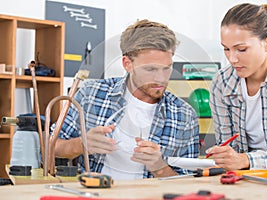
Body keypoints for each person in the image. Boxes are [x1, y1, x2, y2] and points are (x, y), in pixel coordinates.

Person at [52, 19, 200, 179]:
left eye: (167, 68)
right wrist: (82, 144)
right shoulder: (91, 93)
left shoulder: (185, 115)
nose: (161, 78)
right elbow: (50, 146)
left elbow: (188, 184)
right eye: (150, 69)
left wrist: (159, 167)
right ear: (127, 63)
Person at [208, 3, 267, 170]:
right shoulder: (222, 83)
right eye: (226, 49)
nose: (232, 59)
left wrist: (245, 160)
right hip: (245, 178)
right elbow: (228, 147)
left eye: (241, 49)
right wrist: (225, 156)